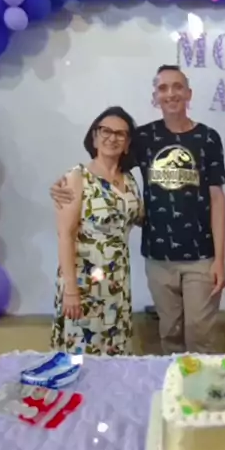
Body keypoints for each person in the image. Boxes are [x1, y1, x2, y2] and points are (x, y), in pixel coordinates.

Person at [51, 65, 225, 354]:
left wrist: (220, 259)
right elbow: (104, 169)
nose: (170, 93)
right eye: (163, 88)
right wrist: (62, 186)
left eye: (177, 86)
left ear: (189, 93)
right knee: (169, 332)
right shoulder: (144, 138)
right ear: (154, 97)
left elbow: (217, 199)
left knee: (201, 333)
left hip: (200, 255)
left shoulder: (208, 138)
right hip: (156, 258)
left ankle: (202, 382)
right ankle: (174, 381)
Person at [50, 106, 143, 356]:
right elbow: (65, 235)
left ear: (127, 143)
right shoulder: (77, 177)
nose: (112, 137)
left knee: (115, 354)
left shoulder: (130, 180)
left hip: (117, 283)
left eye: (120, 134)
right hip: (84, 283)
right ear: (94, 137)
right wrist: (71, 290)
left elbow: (141, 218)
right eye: (106, 131)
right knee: (82, 355)